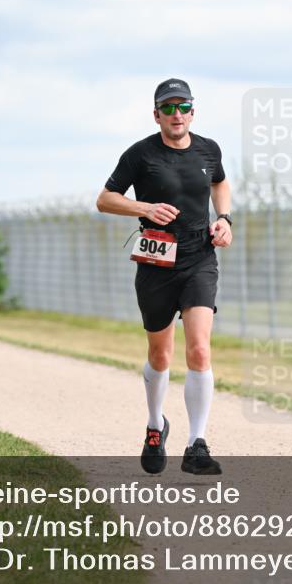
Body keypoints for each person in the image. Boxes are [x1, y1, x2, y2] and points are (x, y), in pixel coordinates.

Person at [97, 78, 232, 475]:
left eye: (183, 106)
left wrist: (224, 219)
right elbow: (105, 199)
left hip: (199, 258)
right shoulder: (140, 154)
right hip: (156, 263)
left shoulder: (209, 149)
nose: (177, 114)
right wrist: (145, 208)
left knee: (200, 350)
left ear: (193, 111)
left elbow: (219, 181)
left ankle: (196, 445)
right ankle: (156, 425)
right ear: (156, 115)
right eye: (168, 108)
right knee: (160, 354)